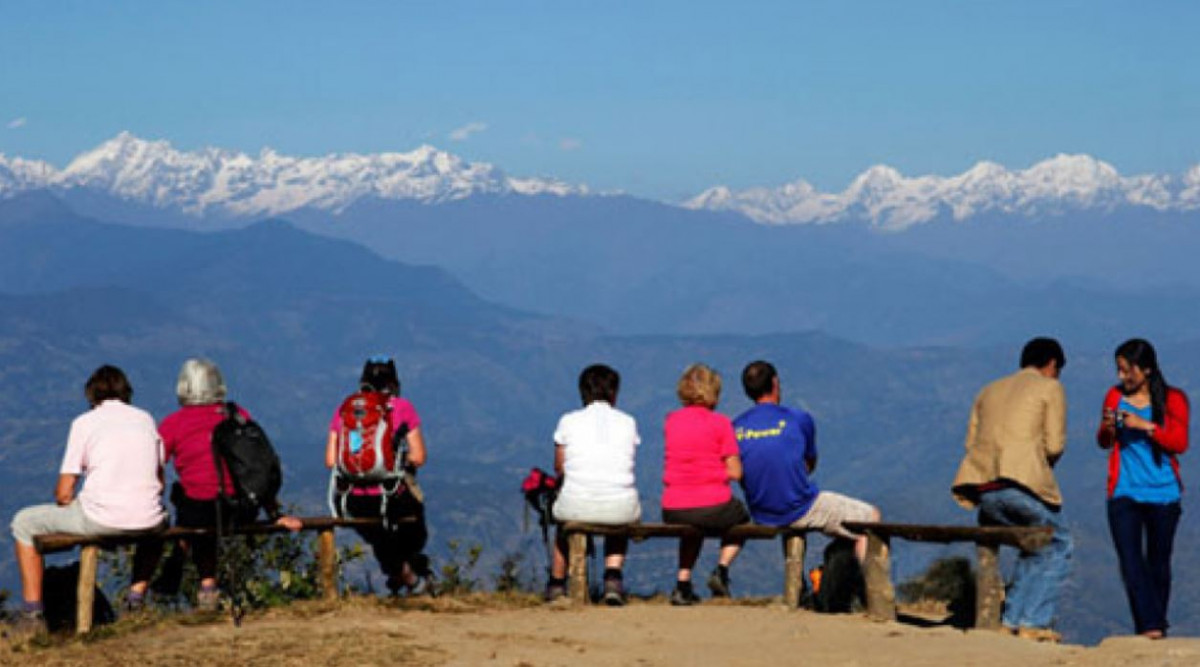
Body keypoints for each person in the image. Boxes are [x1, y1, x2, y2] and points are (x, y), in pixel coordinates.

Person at [129, 358, 301, 611]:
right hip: (241, 508)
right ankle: (208, 588)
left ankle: (157, 588)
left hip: (198, 512)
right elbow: (254, 467)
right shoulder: (237, 415)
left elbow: (153, 467)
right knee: (208, 505)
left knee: (190, 500)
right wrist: (274, 512)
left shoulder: (174, 423)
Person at [9, 366, 167, 633]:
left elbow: (64, 490)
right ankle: (136, 599)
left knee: (23, 523)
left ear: (92, 395)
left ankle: (33, 614)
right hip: (148, 518)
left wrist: (68, 504)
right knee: (158, 520)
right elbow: (159, 481)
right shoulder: (145, 419)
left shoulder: (84, 423)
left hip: (99, 518)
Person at [951, 337, 1073, 643]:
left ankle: (1011, 620)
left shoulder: (989, 390)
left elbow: (971, 444)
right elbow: (1055, 444)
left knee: (1033, 545)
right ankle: (1033, 621)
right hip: (1019, 487)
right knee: (1058, 542)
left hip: (984, 492)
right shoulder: (1050, 387)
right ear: (1052, 365)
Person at [733, 361, 880, 564]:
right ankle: (873, 590)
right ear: (775, 383)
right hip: (799, 507)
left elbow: (741, 474)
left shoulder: (736, 426)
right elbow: (809, 464)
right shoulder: (798, 419)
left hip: (761, 512)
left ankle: (800, 587)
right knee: (870, 518)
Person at [1096, 338, 1189, 639]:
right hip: (1124, 490)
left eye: (1127, 371)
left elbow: (1179, 443)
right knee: (1130, 561)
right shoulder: (1113, 396)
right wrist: (1109, 428)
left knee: (1158, 563)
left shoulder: (1173, 399)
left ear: (1146, 369)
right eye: (1119, 371)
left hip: (1163, 493)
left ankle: (1156, 622)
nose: (1122, 377)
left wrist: (1146, 426)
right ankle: (1150, 626)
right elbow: (1104, 442)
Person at [326, 357, 431, 595]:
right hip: (392, 494)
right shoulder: (403, 407)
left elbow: (331, 460)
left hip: (352, 498)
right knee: (414, 531)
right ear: (394, 383)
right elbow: (419, 457)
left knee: (380, 536)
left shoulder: (347, 409)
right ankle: (409, 577)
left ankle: (400, 575)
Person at [543, 364, 641, 605]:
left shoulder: (568, 421)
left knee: (562, 523)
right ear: (614, 393)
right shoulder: (628, 422)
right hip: (621, 506)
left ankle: (557, 583)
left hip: (575, 504)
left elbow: (559, 466)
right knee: (620, 510)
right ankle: (613, 577)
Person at [661, 363, 750, 605]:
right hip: (714, 504)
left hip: (673, 508)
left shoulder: (671, 421)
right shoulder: (721, 423)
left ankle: (683, 582)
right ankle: (721, 568)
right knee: (742, 518)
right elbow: (735, 472)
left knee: (692, 526)